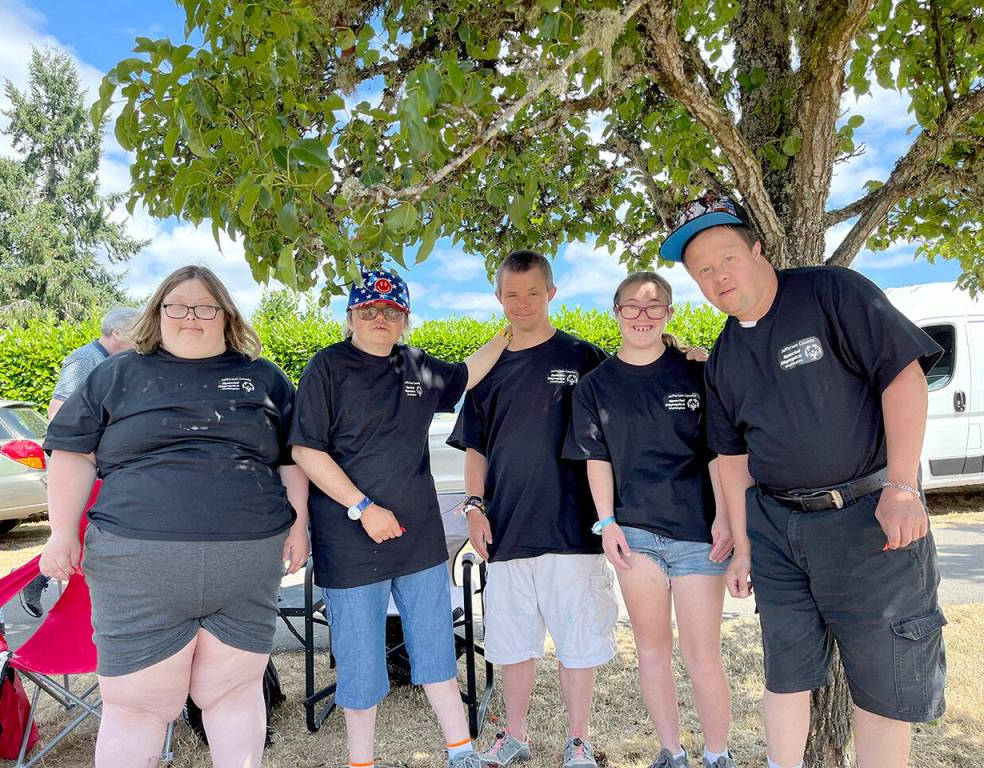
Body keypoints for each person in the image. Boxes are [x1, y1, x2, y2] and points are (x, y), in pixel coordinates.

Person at [662, 193, 946, 768]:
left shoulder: (832, 293)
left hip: (868, 520)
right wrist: (743, 546)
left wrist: (902, 487)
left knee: (882, 688)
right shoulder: (724, 356)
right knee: (785, 675)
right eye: (702, 272)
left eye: (726, 259)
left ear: (758, 249)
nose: (718, 277)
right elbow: (732, 459)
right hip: (777, 531)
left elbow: (903, 375)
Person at [40, 266, 309, 768]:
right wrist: (60, 533)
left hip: (247, 561)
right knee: (136, 707)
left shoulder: (265, 377)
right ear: (158, 313)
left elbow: (291, 458)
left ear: (226, 315)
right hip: (136, 562)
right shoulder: (115, 374)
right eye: (177, 306)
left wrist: (299, 526)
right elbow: (71, 453)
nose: (191, 317)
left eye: (205, 307)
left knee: (235, 693)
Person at [290, 269, 512, 768]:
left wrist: (508, 333)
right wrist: (363, 507)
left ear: (405, 319)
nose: (380, 318)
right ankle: (361, 762)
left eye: (392, 311)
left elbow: (466, 372)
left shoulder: (416, 365)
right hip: (350, 544)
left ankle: (462, 753)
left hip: (418, 542)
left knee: (436, 652)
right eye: (368, 309)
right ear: (351, 316)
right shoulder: (327, 367)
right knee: (360, 667)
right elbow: (306, 451)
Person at [447, 250, 617, 768]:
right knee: (511, 643)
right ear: (499, 297)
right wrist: (474, 508)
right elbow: (474, 447)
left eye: (533, 293)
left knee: (579, 642)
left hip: (575, 528)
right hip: (507, 529)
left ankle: (578, 741)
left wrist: (682, 351)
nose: (522, 304)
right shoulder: (487, 367)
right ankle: (514, 736)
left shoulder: (584, 356)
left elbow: (630, 405)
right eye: (512, 295)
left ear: (551, 294)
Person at [563, 271, 735, 768]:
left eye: (654, 306)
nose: (643, 316)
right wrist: (607, 523)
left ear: (669, 313)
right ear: (616, 312)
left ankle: (717, 755)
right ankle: (672, 753)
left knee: (702, 655)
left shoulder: (697, 372)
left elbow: (719, 453)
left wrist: (725, 517)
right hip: (635, 535)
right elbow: (597, 459)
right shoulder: (595, 386)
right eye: (632, 307)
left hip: (700, 534)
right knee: (652, 650)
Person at [21, 306, 140, 619]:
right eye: (137, 334)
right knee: (77, 532)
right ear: (117, 333)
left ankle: (41, 585)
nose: (142, 341)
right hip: (81, 465)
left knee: (86, 533)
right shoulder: (86, 359)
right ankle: (35, 583)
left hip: (97, 465)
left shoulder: (113, 362)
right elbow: (58, 412)